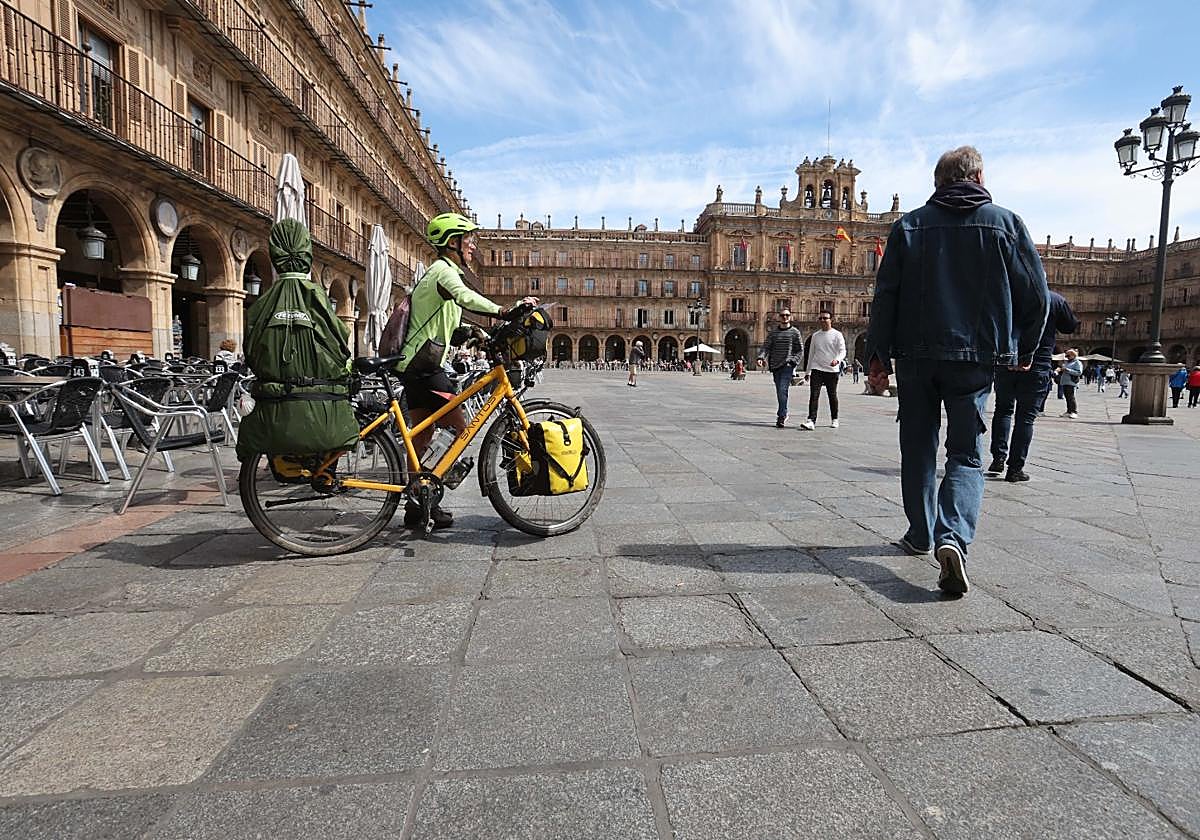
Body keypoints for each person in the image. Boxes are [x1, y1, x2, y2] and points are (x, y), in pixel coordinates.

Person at [864, 145, 1048, 597]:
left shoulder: (908, 225)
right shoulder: (1006, 224)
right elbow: (1036, 297)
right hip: (977, 357)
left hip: (915, 356)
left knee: (918, 446)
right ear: (979, 176)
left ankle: (921, 533)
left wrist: (876, 357)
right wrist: (1023, 347)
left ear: (936, 182)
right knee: (967, 453)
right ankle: (953, 538)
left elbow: (885, 295)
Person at [395, 212, 536, 530]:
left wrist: (476, 335)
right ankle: (427, 495)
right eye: (468, 240)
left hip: (415, 364)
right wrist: (504, 310)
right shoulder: (444, 272)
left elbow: (446, 320)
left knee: (423, 435)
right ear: (452, 243)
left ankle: (417, 504)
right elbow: (465, 296)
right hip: (424, 365)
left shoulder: (438, 274)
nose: (472, 246)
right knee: (461, 427)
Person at [988, 290, 1078, 482]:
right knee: (1025, 419)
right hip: (1037, 366)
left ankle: (998, 457)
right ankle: (1015, 469)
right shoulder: (1054, 299)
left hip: (1006, 362)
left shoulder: (1008, 294)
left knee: (1003, 410)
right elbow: (1069, 326)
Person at [800, 310, 846, 430]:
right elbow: (811, 354)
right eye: (820, 318)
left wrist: (837, 359)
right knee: (814, 395)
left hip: (832, 369)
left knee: (832, 395)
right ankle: (811, 420)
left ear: (831, 320)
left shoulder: (837, 335)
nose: (822, 320)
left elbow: (843, 351)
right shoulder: (815, 336)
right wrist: (807, 371)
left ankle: (835, 418)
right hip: (817, 368)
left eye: (825, 318)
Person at [759, 309, 804, 428]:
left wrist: (793, 362)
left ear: (790, 317)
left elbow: (800, 349)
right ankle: (784, 412)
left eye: (787, 315)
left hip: (787, 366)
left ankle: (781, 415)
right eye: (782, 315)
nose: (785, 317)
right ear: (779, 317)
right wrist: (760, 357)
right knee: (780, 391)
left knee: (782, 390)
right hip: (775, 366)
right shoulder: (773, 333)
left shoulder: (795, 332)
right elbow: (766, 347)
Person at [1058, 349, 1083, 418]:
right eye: (1066, 355)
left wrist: (1067, 370)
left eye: (1068, 355)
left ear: (1073, 355)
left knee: (1071, 397)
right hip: (1065, 382)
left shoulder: (1077, 362)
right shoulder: (1068, 362)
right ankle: (1069, 411)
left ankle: (1074, 412)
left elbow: (1079, 372)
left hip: (1071, 382)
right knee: (1067, 397)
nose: (1067, 357)